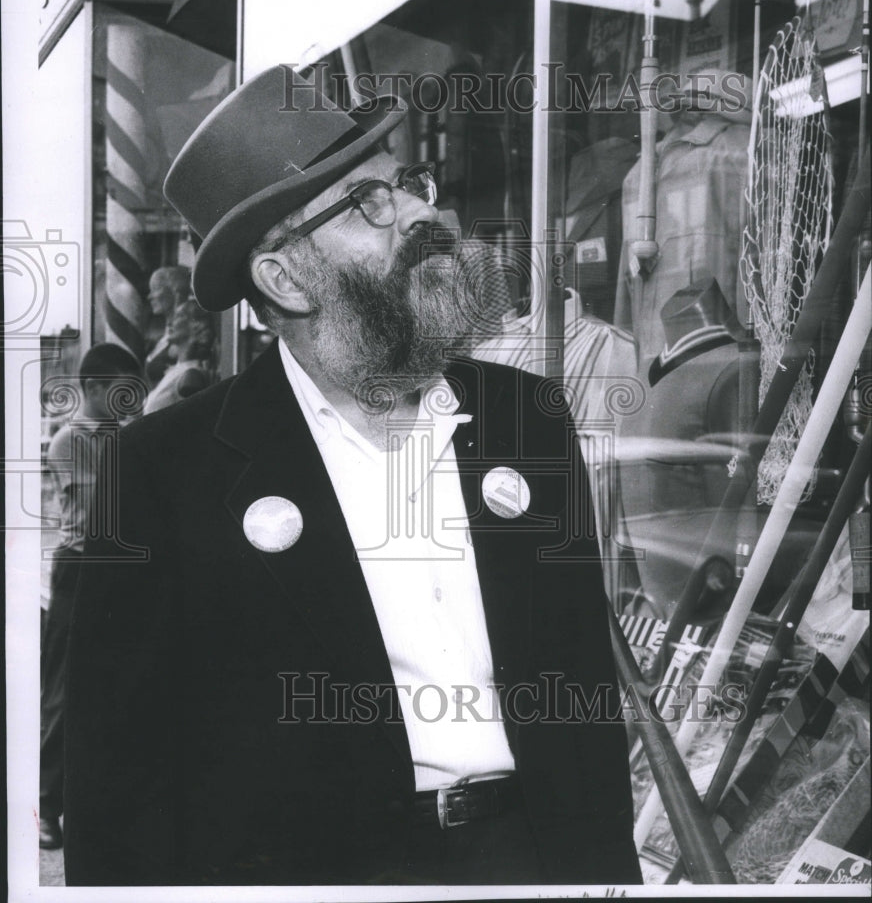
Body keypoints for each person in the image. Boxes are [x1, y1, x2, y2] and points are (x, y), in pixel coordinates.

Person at [63, 65, 642, 887]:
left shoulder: (528, 420)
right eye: (370, 202)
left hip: (532, 860)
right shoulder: (164, 474)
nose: (422, 212)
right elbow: (119, 788)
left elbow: (583, 700)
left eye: (408, 183)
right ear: (285, 277)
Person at [40, 343, 142, 850]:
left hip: (119, 567)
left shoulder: (124, 437)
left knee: (114, 682)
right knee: (63, 689)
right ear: (95, 388)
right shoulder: (70, 441)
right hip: (81, 566)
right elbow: (106, 509)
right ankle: (45, 803)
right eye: (123, 393)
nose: (131, 404)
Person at [143, 297, 216, 414]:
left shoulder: (191, 376)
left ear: (195, 326)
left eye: (179, 316)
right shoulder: (177, 370)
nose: (171, 322)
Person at [145, 265, 192, 385]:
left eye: (156, 289)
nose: (150, 296)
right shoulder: (161, 336)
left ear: (174, 290)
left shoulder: (185, 335)